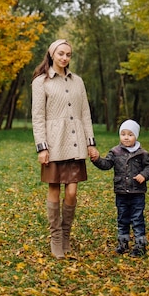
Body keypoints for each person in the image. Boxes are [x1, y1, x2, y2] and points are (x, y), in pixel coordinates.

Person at [31, 39, 97, 259]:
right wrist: (42, 147)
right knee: (54, 189)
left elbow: (85, 113)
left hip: (76, 142)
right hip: (54, 143)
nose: (64, 58)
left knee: (72, 191)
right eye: (61, 53)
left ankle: (66, 234)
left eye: (68, 54)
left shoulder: (78, 81)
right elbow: (38, 117)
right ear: (52, 54)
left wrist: (91, 142)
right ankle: (56, 238)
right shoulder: (41, 82)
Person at [90, 119, 149, 257]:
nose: (126, 137)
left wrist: (143, 175)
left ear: (136, 136)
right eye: (123, 134)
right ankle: (123, 242)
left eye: (130, 134)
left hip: (137, 192)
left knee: (137, 218)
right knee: (122, 217)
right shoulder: (115, 152)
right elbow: (107, 164)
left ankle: (140, 244)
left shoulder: (142, 153)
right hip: (121, 191)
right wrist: (97, 160)